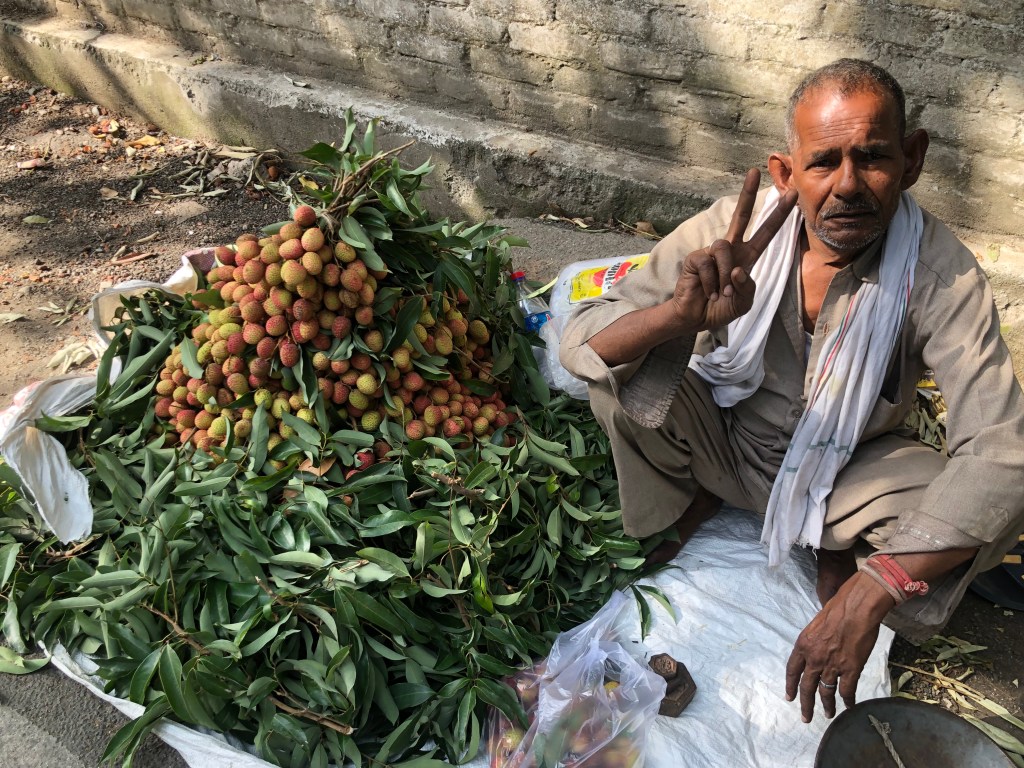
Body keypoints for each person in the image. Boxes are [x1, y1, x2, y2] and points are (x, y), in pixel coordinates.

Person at [559, 59, 1024, 724]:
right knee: (623, 377)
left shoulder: (942, 274)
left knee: (972, 498)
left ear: (913, 158)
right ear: (786, 173)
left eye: (872, 158)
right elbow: (582, 343)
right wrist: (678, 319)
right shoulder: (729, 233)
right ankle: (697, 503)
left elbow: (1003, 449)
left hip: (847, 476)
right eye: (824, 162)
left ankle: (839, 551)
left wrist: (876, 589)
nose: (848, 185)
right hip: (725, 443)